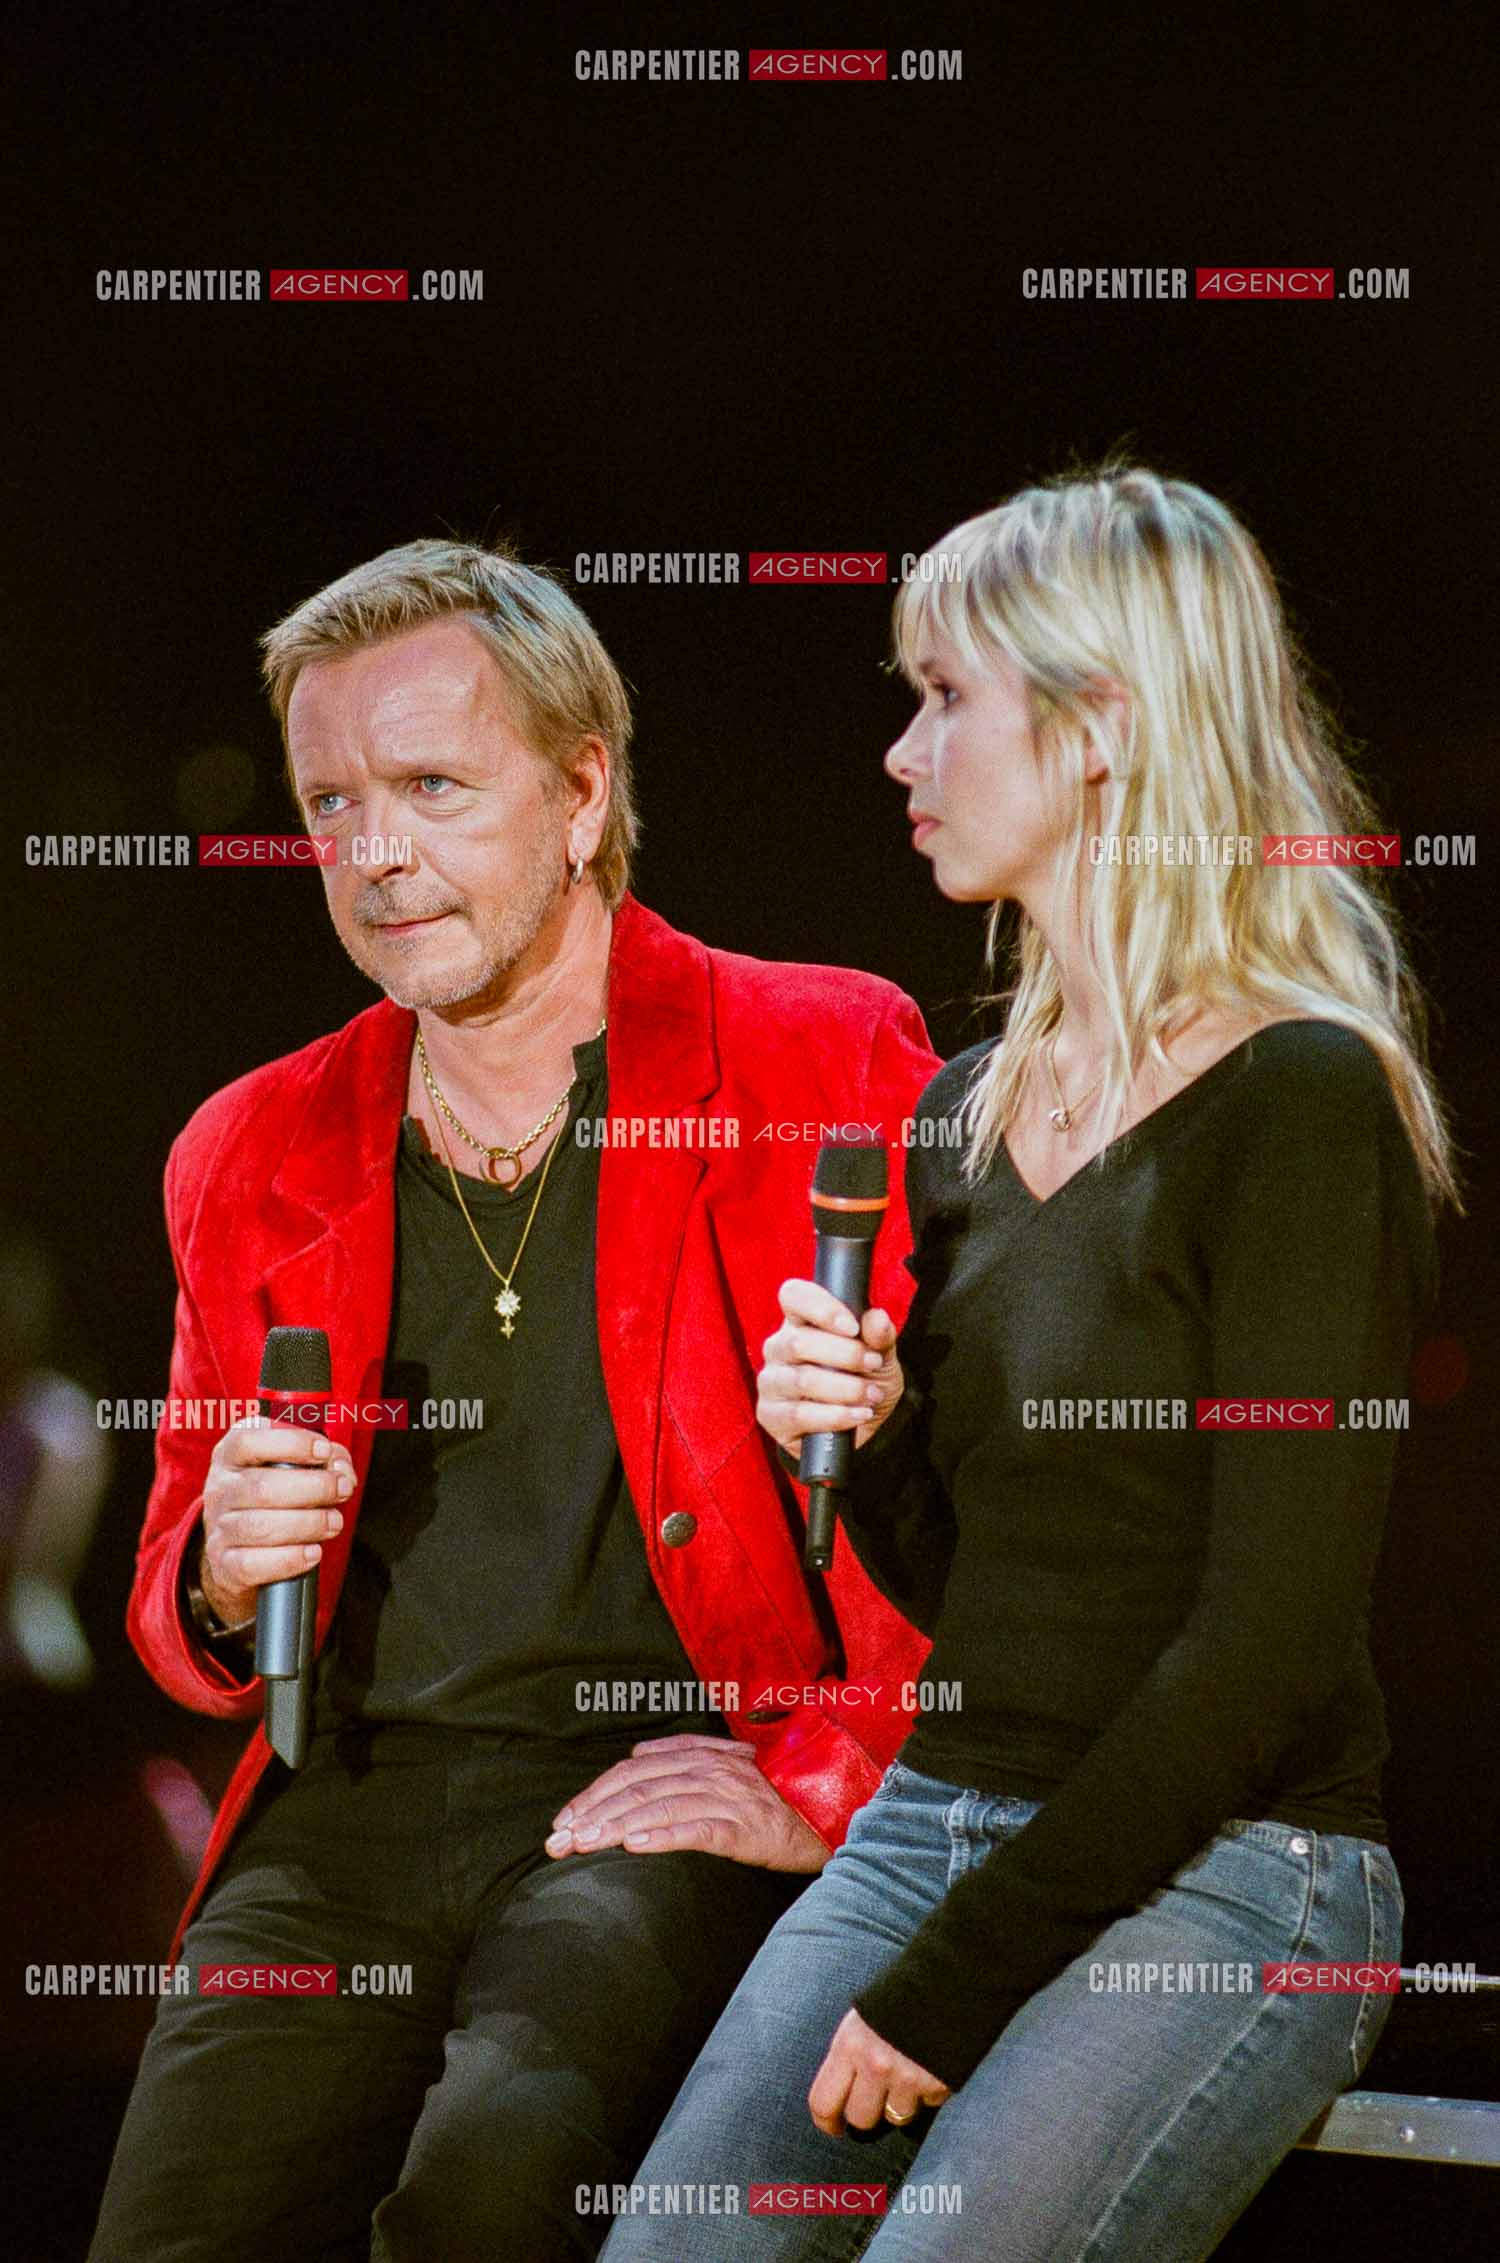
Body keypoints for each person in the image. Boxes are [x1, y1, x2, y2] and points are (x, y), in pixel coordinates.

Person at [599, 464, 1456, 2263]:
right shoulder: (960, 1118)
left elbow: (1267, 1649)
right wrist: (876, 1437)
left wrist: (947, 1990)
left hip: (1237, 1866)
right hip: (945, 1814)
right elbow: (979, 1587)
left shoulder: (1299, 1096)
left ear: (1099, 729)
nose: (904, 757)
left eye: (945, 702)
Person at [88, 537, 941, 2262]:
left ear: (578, 792)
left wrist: (831, 1781)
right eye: (329, 802)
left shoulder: (816, 1055)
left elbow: (989, 1513)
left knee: (490, 2195)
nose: (372, 853)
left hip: (652, 1788)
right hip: (351, 1806)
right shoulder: (250, 1145)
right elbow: (175, 1592)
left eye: (427, 785)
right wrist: (217, 1572)